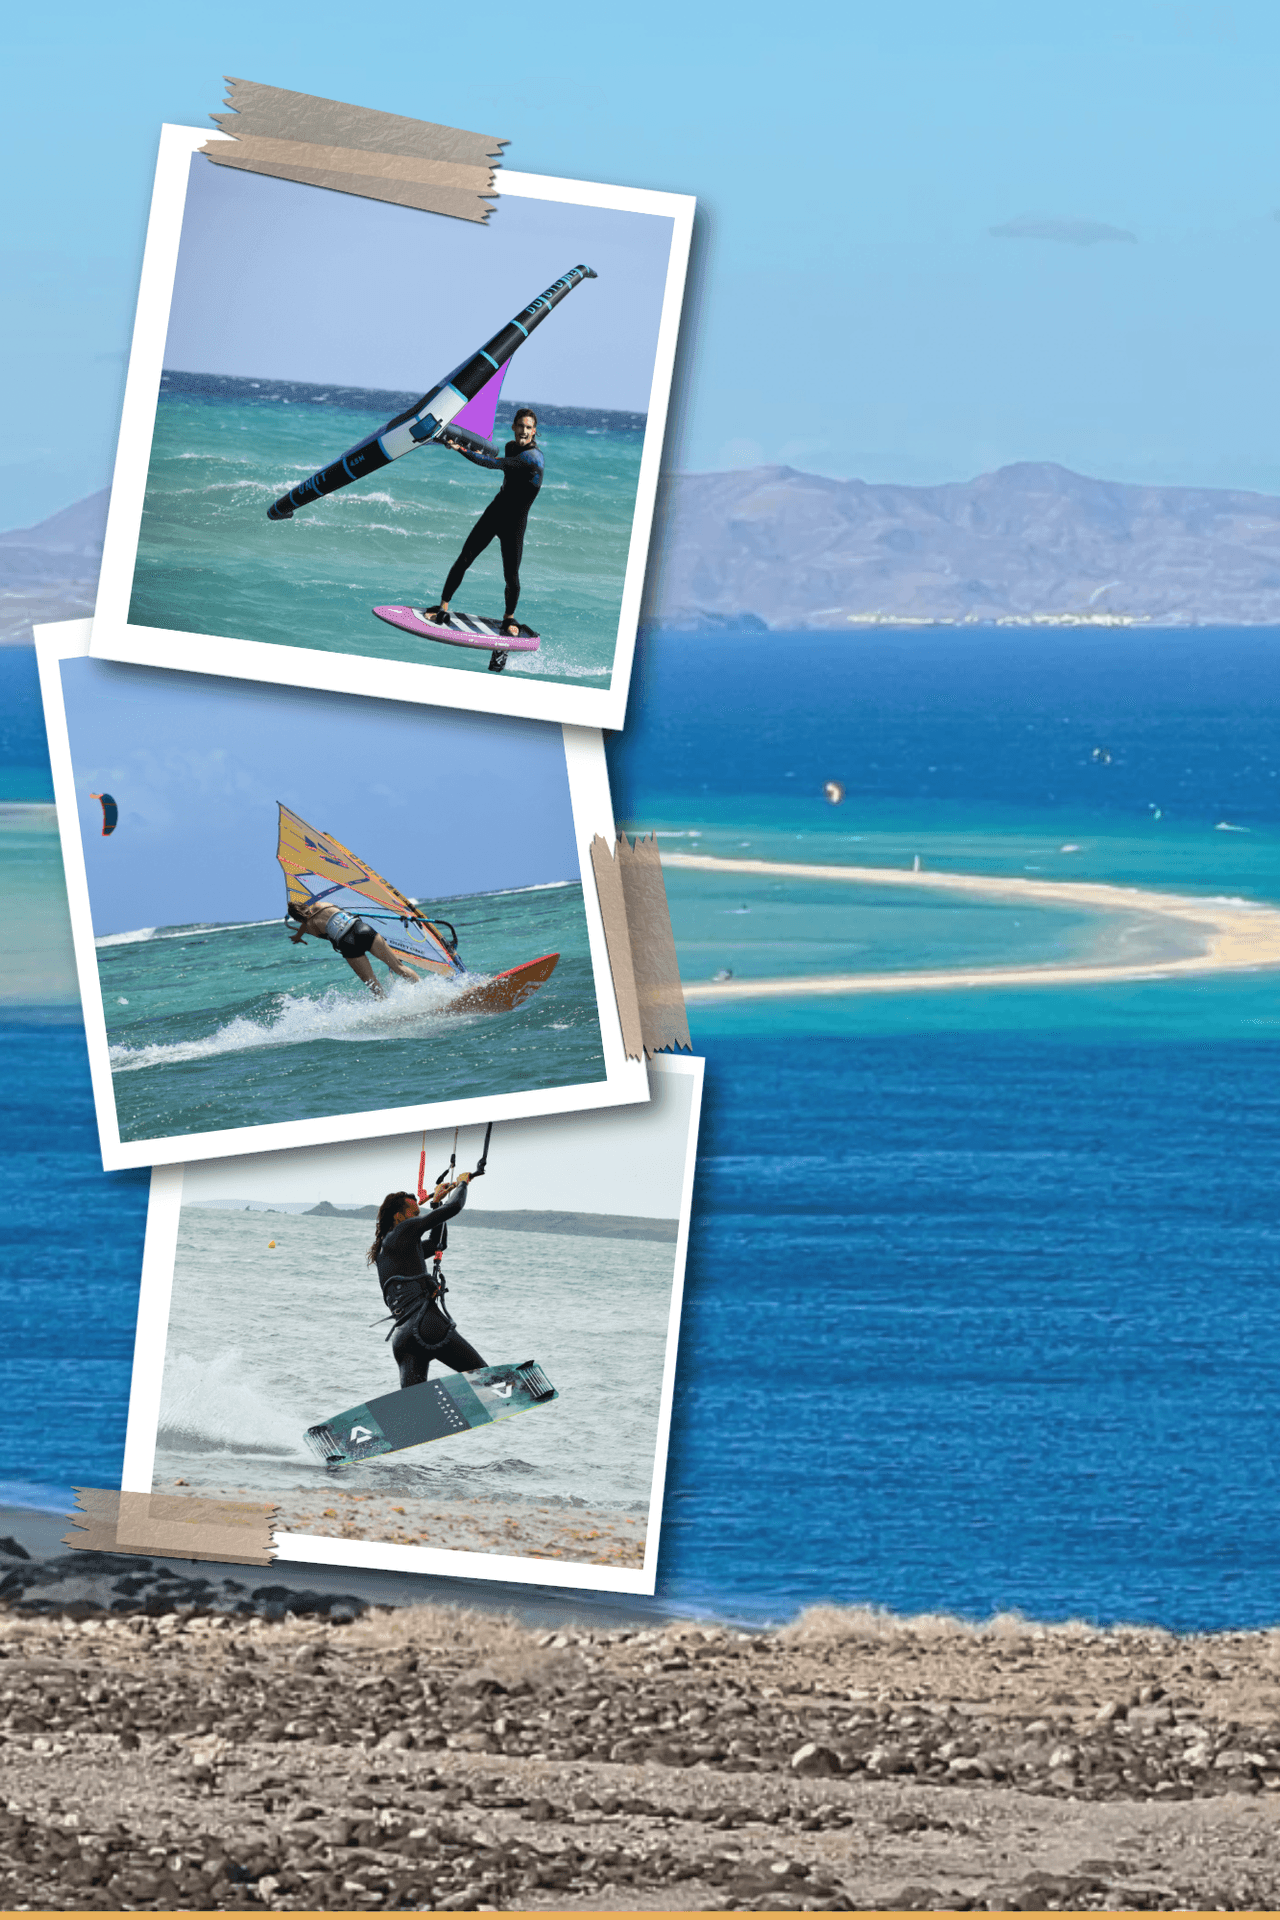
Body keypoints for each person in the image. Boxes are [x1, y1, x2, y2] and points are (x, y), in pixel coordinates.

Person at [425, 408, 544, 639]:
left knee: (511, 576)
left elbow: (491, 463)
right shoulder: (511, 447)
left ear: (534, 431)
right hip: (495, 512)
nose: (523, 431)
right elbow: (494, 458)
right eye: (520, 425)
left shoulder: (533, 458)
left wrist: (460, 448)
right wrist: (458, 441)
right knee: (464, 558)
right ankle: (443, 607)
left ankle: (509, 618)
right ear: (513, 427)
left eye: (528, 427)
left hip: (514, 523)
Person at [368, 1176, 487, 1389]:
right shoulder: (402, 1231)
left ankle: (409, 1419)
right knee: (482, 1375)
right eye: (414, 1214)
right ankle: (512, 1389)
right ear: (398, 1216)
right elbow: (455, 1207)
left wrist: (436, 1203)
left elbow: (437, 1243)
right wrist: (463, 1183)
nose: (418, 1218)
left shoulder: (389, 1250)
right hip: (426, 1324)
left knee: (415, 1403)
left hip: (403, 1339)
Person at [286, 899, 418, 997]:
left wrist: (298, 936)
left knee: (372, 983)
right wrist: (299, 934)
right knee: (398, 967)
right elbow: (312, 916)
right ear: (305, 905)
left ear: (297, 919)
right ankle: (424, 990)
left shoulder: (310, 928)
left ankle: (386, 1008)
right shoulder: (321, 904)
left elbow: (314, 927)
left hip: (347, 944)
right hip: (362, 930)